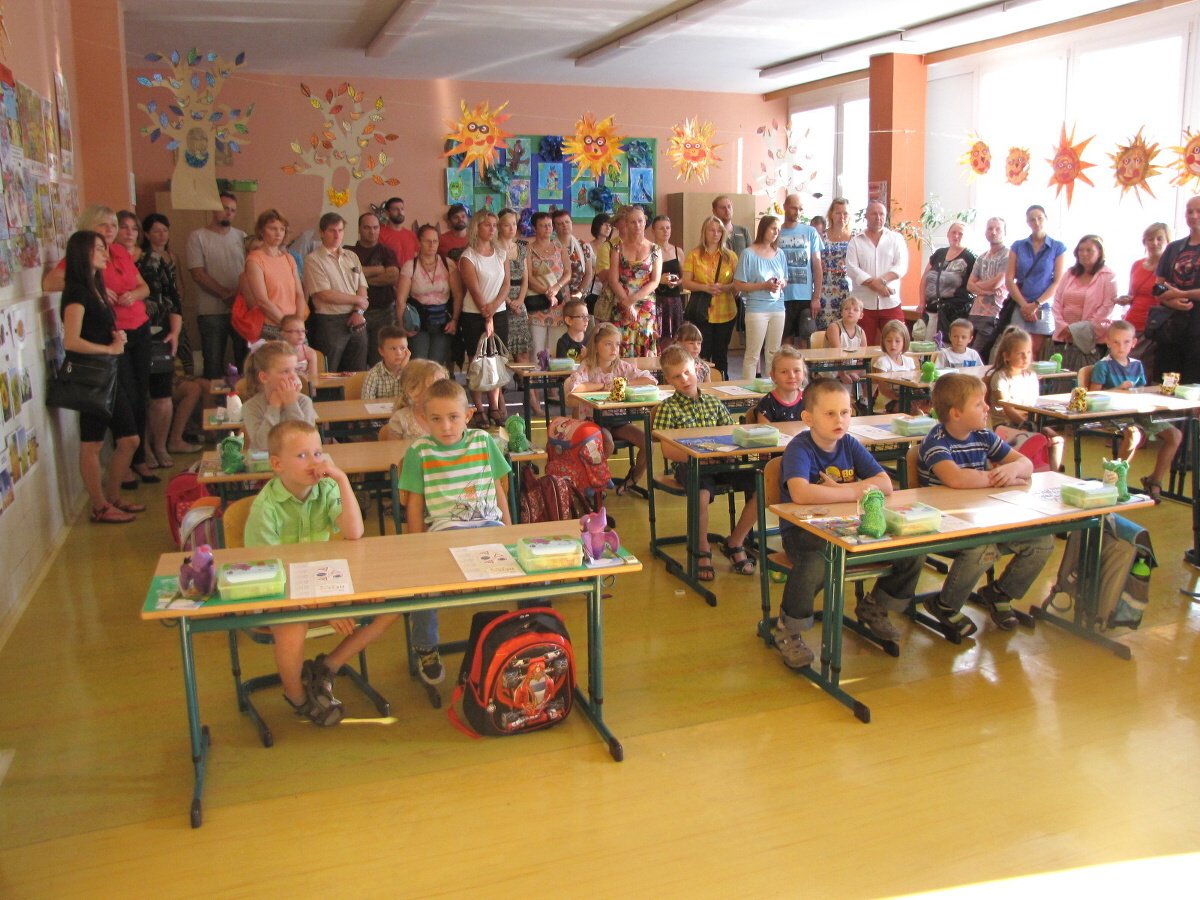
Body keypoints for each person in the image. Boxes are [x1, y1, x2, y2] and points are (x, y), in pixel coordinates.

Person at [244, 420, 397, 726]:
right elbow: (269, 571)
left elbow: (354, 532)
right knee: (292, 625)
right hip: (280, 590)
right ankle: (297, 696)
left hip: (324, 582)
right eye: (302, 456)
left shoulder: (326, 488)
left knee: (393, 602)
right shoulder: (266, 508)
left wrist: (341, 480)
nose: (314, 462)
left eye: (317, 453)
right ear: (277, 464)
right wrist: (323, 605)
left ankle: (328, 666)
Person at [772, 378, 922, 665]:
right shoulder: (799, 448)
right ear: (808, 418)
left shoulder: (849, 444)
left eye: (845, 412)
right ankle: (788, 627)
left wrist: (842, 490)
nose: (839, 420)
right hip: (804, 533)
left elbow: (885, 484)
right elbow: (801, 493)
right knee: (819, 558)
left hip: (849, 527)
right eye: (830, 413)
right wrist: (858, 490)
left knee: (912, 546)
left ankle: (875, 606)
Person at [918, 373, 1052, 636]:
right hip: (945, 524)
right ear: (956, 413)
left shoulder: (983, 436)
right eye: (979, 404)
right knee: (983, 548)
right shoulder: (936, 441)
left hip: (981, 519)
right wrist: (998, 478)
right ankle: (945, 604)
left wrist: (1012, 470)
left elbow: (1025, 464)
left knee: (1041, 541)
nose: (987, 408)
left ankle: (999, 593)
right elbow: (956, 478)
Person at [398, 378, 512, 683]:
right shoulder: (420, 452)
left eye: (453, 417)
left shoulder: (483, 442)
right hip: (445, 533)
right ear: (423, 419)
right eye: (436, 419)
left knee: (535, 577)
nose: (445, 426)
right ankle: (425, 646)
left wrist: (510, 532)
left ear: (468, 415)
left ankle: (525, 637)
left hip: (489, 527)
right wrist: (417, 545)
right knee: (423, 583)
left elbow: (498, 489)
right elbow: (414, 504)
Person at [652, 346, 760, 580]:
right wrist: (698, 455)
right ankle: (701, 548)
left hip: (721, 462)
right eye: (677, 376)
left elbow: (731, 433)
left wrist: (729, 452)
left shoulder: (713, 402)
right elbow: (668, 450)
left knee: (760, 485)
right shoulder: (667, 408)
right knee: (701, 494)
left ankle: (735, 541)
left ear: (697, 370)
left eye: (687, 372)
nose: (684, 379)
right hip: (691, 466)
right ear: (668, 380)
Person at [59, 231, 144, 524]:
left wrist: (115, 338)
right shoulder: (76, 292)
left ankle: (112, 496)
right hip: (92, 377)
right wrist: (108, 348)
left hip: (109, 371)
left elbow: (96, 329)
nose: (106, 254)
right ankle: (99, 506)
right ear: (82, 253)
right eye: (98, 249)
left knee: (129, 439)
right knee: (92, 444)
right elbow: (71, 341)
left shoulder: (95, 287)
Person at [1089, 320, 1181, 502]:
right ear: (1107, 342)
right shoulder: (1103, 366)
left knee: (1175, 435)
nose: (1121, 347)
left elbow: (1142, 391)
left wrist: (1160, 392)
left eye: (1126, 342)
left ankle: (1154, 480)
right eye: (1116, 342)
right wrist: (1117, 390)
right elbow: (1093, 395)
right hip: (1112, 413)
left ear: (1134, 343)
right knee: (1133, 434)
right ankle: (1115, 480)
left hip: (1137, 412)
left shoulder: (1137, 365)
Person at [564, 323, 657, 494]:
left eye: (617, 344)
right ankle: (594, 481)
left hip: (618, 421)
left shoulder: (622, 366)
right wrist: (601, 386)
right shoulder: (587, 366)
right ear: (596, 346)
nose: (614, 349)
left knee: (648, 444)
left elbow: (650, 380)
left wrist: (624, 382)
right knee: (607, 443)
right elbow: (575, 387)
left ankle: (632, 479)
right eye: (608, 344)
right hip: (594, 422)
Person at [137, 213, 195, 466]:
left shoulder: (169, 258)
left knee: (172, 383)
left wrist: (176, 320)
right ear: (146, 234)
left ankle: (165, 443)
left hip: (169, 324)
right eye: (156, 230)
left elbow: (175, 289)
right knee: (146, 393)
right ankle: (146, 448)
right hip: (142, 329)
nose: (161, 235)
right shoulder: (140, 259)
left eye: (165, 230)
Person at [186, 192, 247, 378]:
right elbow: (198, 273)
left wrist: (237, 297)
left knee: (246, 362)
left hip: (241, 310)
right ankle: (213, 398)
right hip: (211, 312)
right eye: (225, 208)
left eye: (233, 210)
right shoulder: (197, 236)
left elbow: (250, 270)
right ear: (214, 209)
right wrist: (225, 295)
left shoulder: (242, 237)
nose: (229, 213)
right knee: (213, 364)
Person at [458, 210, 509, 425]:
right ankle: (479, 409)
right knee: (477, 362)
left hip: (499, 312)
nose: (492, 229)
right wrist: (487, 316)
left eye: (494, 225)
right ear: (477, 227)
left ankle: (494, 406)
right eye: (487, 225)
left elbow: (506, 285)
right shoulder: (468, 257)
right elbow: (475, 290)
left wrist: (494, 308)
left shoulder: (501, 254)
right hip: (474, 315)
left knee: (495, 360)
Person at [986, 328, 1064, 470]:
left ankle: (1054, 472)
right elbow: (1008, 409)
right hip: (1006, 425)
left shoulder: (1031, 376)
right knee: (1038, 439)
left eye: (1028, 352)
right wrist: (1028, 424)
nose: (1026, 357)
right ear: (1007, 356)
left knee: (1056, 439)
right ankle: (1037, 470)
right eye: (1020, 353)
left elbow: (1033, 405)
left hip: (1030, 422)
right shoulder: (1000, 377)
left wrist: (1036, 424)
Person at [303, 213, 370, 372]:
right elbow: (324, 294)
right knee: (330, 370)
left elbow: (362, 287)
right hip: (330, 321)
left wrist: (358, 311)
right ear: (322, 232)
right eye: (332, 230)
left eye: (340, 230)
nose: (337, 235)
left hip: (356, 317)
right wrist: (358, 300)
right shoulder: (313, 259)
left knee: (357, 370)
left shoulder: (351, 256)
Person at [1004, 204, 1066, 359]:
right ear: (1027, 222)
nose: (1036, 222)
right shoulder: (1018, 246)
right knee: (1016, 348)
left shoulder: (1057, 247)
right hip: (1021, 304)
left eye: (1040, 218)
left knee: (1037, 352)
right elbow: (1009, 279)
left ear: (1046, 219)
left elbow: (1057, 282)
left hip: (1043, 305)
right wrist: (1024, 306)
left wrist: (1036, 304)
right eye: (1032, 219)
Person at [680, 215, 738, 378]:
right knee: (702, 352)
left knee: (721, 353)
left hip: (725, 311)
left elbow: (738, 283)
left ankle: (722, 383)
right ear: (704, 232)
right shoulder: (694, 255)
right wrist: (704, 287)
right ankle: (701, 382)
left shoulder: (731, 256)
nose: (715, 234)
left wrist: (725, 287)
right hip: (702, 312)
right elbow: (686, 282)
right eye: (711, 230)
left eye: (719, 231)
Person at [397, 224, 462, 367]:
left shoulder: (448, 264)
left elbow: (458, 295)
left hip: (443, 323)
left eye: (435, 241)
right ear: (419, 242)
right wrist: (403, 327)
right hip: (418, 323)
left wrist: (455, 320)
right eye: (427, 241)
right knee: (419, 363)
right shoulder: (410, 266)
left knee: (436, 364)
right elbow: (401, 300)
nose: (432, 245)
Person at [1051, 234, 1117, 372]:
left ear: (1100, 252)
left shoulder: (1108, 275)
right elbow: (1057, 301)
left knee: (1085, 380)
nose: (1084, 254)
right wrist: (1064, 327)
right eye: (1081, 250)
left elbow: (1107, 308)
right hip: (1064, 337)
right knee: (1060, 379)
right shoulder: (1070, 273)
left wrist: (1076, 331)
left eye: (1089, 250)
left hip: (1090, 341)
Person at [846, 199, 909, 343]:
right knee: (862, 347)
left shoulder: (896, 239)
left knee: (897, 342)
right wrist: (874, 284)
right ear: (866, 216)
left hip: (890, 301)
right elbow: (851, 268)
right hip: (863, 305)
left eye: (882, 214)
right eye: (874, 214)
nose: (878, 217)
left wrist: (881, 281)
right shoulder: (856, 241)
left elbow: (901, 265)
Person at [1152, 196, 1200, 384]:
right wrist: (1169, 300)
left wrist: (1182, 294)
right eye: (1190, 211)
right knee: (1166, 384)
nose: (1194, 216)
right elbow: (1158, 287)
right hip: (1171, 327)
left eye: (1198, 211)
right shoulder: (1173, 248)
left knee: (1193, 386)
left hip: (1197, 331)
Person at [733, 215, 788, 378]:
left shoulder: (780, 253)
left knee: (774, 353)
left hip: (778, 307)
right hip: (757, 309)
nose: (776, 232)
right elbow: (738, 284)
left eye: (778, 230)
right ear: (763, 229)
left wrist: (780, 283)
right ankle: (746, 389)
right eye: (773, 228)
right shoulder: (748, 253)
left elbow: (785, 279)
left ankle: (773, 387)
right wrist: (764, 285)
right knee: (753, 353)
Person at [241, 341, 317, 452]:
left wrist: (292, 404)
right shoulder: (251, 407)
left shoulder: (304, 402)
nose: (293, 377)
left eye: (295, 370)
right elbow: (262, 446)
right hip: (265, 462)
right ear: (264, 377)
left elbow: (304, 441)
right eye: (285, 371)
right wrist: (274, 407)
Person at [242, 209, 305, 341]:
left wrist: (298, 322)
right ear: (261, 231)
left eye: (282, 229)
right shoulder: (255, 259)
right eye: (273, 228)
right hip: (271, 326)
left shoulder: (288, 258)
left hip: (294, 325)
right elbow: (262, 301)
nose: (278, 233)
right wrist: (287, 325)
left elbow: (299, 293)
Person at [608, 205, 662, 358]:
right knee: (621, 345)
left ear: (645, 222)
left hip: (645, 305)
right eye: (632, 222)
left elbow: (655, 281)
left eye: (640, 221)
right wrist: (627, 303)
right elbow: (613, 280)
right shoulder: (617, 248)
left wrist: (632, 301)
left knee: (645, 346)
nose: (637, 225)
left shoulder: (655, 249)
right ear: (626, 224)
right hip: (622, 302)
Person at [1115, 222, 1169, 367]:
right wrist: (1125, 299)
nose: (1154, 243)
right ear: (1144, 242)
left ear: (1168, 242)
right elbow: (1132, 294)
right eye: (1150, 239)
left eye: (1159, 239)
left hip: (1153, 325)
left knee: (1142, 367)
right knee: (1121, 366)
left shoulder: (1170, 266)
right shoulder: (1137, 265)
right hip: (1131, 322)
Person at [350, 211, 401, 365]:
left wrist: (360, 277)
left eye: (375, 227)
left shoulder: (387, 252)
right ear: (359, 229)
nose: (372, 231)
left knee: (380, 358)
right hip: (355, 313)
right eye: (367, 227)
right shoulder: (349, 252)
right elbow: (348, 276)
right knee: (357, 358)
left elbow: (393, 276)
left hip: (384, 312)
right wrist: (378, 270)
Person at [526, 211, 571, 368]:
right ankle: (536, 382)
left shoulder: (559, 247)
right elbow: (529, 278)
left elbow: (568, 272)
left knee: (556, 347)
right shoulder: (528, 249)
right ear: (535, 228)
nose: (547, 228)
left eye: (549, 225)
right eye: (543, 225)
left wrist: (556, 288)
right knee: (537, 348)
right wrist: (547, 292)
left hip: (558, 305)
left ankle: (555, 382)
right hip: (537, 306)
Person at [777, 194, 824, 348]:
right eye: (793, 208)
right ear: (785, 207)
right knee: (786, 340)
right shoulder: (776, 232)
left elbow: (817, 266)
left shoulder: (810, 232)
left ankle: (806, 366)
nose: (797, 212)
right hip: (782, 296)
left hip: (805, 297)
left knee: (806, 339)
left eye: (800, 209)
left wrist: (816, 297)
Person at [917, 221, 976, 341]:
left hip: (954, 313)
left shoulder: (970, 257)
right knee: (927, 345)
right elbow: (925, 278)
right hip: (932, 310)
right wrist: (922, 302)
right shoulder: (939, 253)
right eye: (953, 232)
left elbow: (974, 283)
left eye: (960, 233)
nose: (956, 236)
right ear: (948, 234)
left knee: (946, 346)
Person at [966, 216, 1010, 360]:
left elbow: (997, 283)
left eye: (998, 229)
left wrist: (978, 284)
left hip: (994, 312)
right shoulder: (981, 257)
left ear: (1004, 232)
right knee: (967, 352)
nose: (993, 232)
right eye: (990, 229)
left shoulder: (1008, 254)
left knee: (977, 354)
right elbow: (969, 285)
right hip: (976, 311)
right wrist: (986, 290)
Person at [497, 208, 531, 374]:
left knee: (522, 350)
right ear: (498, 226)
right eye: (507, 225)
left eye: (514, 224)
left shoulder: (521, 248)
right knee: (501, 349)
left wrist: (520, 300)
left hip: (519, 300)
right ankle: (501, 385)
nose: (512, 228)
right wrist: (509, 302)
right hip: (500, 300)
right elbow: (496, 281)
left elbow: (525, 278)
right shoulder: (494, 248)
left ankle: (525, 383)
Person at [381, 359, 447, 441]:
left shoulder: (450, 416)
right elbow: (393, 448)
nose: (443, 393)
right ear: (413, 393)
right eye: (435, 389)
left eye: (444, 387)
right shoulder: (401, 419)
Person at [815, 197, 854, 329]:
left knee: (844, 327)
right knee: (824, 328)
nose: (842, 217)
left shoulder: (855, 237)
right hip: (824, 287)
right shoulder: (821, 236)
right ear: (831, 214)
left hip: (846, 288)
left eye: (845, 213)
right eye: (838, 213)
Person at [650, 214, 685, 346]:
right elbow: (643, 277)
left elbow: (684, 277)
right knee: (658, 338)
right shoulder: (649, 250)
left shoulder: (677, 251)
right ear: (653, 230)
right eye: (661, 228)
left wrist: (676, 282)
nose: (665, 231)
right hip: (656, 300)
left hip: (674, 300)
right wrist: (659, 280)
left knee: (675, 337)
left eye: (668, 228)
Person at [750, 345, 807, 423]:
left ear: (804, 374)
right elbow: (764, 429)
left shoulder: (808, 401)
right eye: (784, 372)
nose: (791, 376)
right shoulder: (767, 404)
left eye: (796, 371)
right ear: (773, 376)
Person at [872, 319, 915, 412]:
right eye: (889, 341)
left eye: (897, 341)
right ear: (883, 342)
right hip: (888, 402)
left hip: (905, 398)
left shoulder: (909, 361)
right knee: (910, 410)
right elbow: (884, 390)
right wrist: (903, 399)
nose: (893, 345)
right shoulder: (882, 362)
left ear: (904, 342)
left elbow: (914, 384)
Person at [825, 295, 867, 388]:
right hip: (832, 366)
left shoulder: (861, 331)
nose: (850, 312)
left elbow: (863, 356)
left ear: (861, 315)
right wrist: (842, 374)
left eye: (855, 310)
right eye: (847, 309)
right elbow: (836, 353)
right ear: (841, 312)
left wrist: (855, 372)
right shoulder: (834, 327)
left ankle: (865, 397)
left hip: (851, 365)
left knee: (871, 370)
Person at [553, 208, 592, 307]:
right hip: (557, 296)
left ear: (571, 223)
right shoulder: (551, 247)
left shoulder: (583, 246)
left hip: (579, 295)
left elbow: (589, 274)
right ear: (554, 227)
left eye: (567, 222)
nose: (564, 225)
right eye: (560, 224)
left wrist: (579, 294)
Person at [361, 325, 411, 400]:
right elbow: (366, 402)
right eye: (393, 348)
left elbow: (417, 399)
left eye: (402, 348)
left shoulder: (412, 372)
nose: (399, 353)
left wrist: (405, 370)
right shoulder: (374, 374)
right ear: (381, 351)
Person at [278, 314, 320, 387]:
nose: (301, 334)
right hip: (283, 388)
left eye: (303, 331)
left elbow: (313, 382)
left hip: (304, 389)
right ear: (283, 334)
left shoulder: (310, 353)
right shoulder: (277, 352)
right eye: (296, 331)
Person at [377, 196, 419, 267]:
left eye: (402, 209)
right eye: (395, 209)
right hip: (391, 272)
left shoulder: (411, 234)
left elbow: (416, 256)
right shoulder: (379, 234)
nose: (400, 212)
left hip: (410, 272)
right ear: (387, 213)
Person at [586, 214, 613, 313]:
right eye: (605, 224)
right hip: (592, 291)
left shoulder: (614, 247)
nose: (608, 228)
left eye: (610, 225)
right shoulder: (587, 246)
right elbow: (588, 272)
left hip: (609, 292)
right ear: (597, 225)